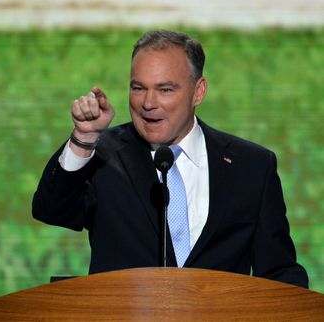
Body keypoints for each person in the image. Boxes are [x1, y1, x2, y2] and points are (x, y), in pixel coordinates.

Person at [32, 29, 308, 288]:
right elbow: (52, 210)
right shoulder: (104, 154)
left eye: (165, 90)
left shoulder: (252, 166)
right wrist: (84, 138)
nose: (148, 103)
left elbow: (278, 271)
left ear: (198, 92)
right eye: (138, 88)